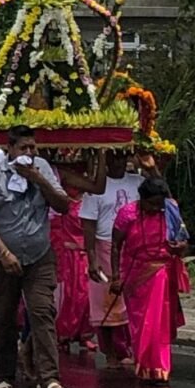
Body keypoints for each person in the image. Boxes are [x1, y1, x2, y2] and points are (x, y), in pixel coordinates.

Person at [0, 125, 72, 388]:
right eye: (23, 148)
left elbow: (63, 205)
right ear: (10, 150)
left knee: (42, 312)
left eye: (33, 148)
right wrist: (4, 253)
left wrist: (39, 179)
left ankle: (50, 379)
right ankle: (4, 377)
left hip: (39, 254)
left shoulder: (42, 168)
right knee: (5, 315)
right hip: (1, 256)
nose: (29, 153)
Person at [110, 178, 188, 384]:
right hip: (135, 275)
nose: (156, 208)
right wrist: (116, 277)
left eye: (159, 204)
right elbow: (116, 245)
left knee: (159, 323)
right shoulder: (127, 214)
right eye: (151, 204)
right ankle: (144, 365)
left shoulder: (169, 210)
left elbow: (182, 240)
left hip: (163, 273)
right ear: (141, 199)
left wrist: (179, 247)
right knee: (140, 323)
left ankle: (159, 368)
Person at [81, 152, 142, 367]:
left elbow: (163, 196)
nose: (118, 161)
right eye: (113, 157)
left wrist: (152, 166)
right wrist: (92, 259)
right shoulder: (96, 188)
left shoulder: (138, 182)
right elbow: (88, 225)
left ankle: (133, 348)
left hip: (133, 248)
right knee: (107, 303)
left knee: (132, 302)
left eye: (122, 156)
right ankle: (112, 353)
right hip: (105, 246)